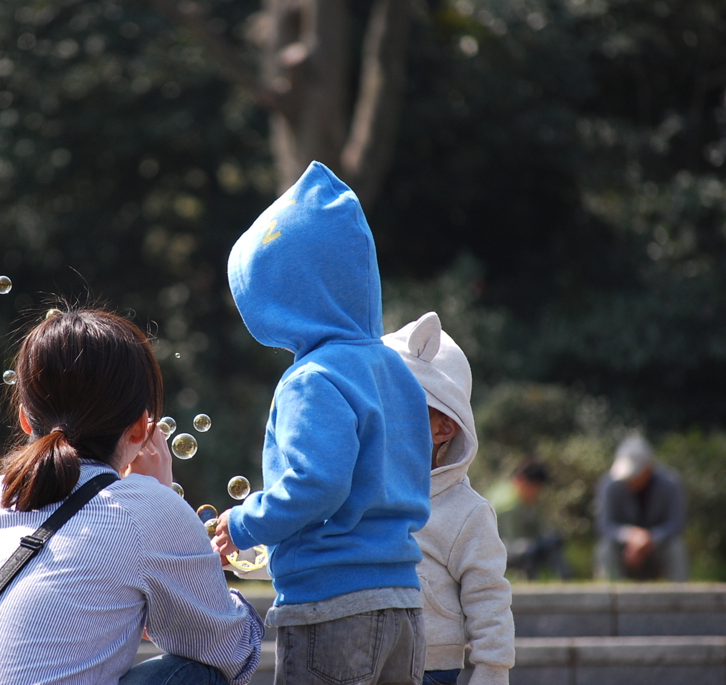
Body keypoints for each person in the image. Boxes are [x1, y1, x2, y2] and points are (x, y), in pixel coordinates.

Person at [0, 307, 264, 685]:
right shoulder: (145, 508)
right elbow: (233, 653)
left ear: (22, 416)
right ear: (142, 429)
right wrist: (160, 498)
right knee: (195, 674)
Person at [211, 161, 432, 685]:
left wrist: (243, 523)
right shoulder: (394, 370)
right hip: (403, 602)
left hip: (331, 605)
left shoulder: (310, 379)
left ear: (285, 295)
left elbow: (317, 484)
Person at [383, 311, 514, 685]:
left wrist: (491, 672)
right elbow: (320, 549)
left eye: (401, 406)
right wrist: (244, 554)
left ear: (444, 426)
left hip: (431, 668)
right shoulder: (361, 492)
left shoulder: (466, 512)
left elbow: (489, 599)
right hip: (364, 657)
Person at [594, 434, 688, 581]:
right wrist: (631, 535)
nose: (629, 480)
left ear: (648, 467)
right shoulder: (610, 485)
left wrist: (649, 539)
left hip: (658, 548)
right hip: (623, 550)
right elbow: (606, 526)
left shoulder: (671, 483)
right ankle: (608, 598)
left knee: (676, 548)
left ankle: (680, 598)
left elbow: (675, 524)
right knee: (605, 549)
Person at [486, 458, 569, 580]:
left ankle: (562, 578)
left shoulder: (512, 493)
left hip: (505, 547)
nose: (536, 493)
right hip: (495, 551)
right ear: (522, 481)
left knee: (548, 542)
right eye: (535, 487)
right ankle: (561, 578)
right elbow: (511, 541)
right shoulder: (509, 505)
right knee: (532, 550)